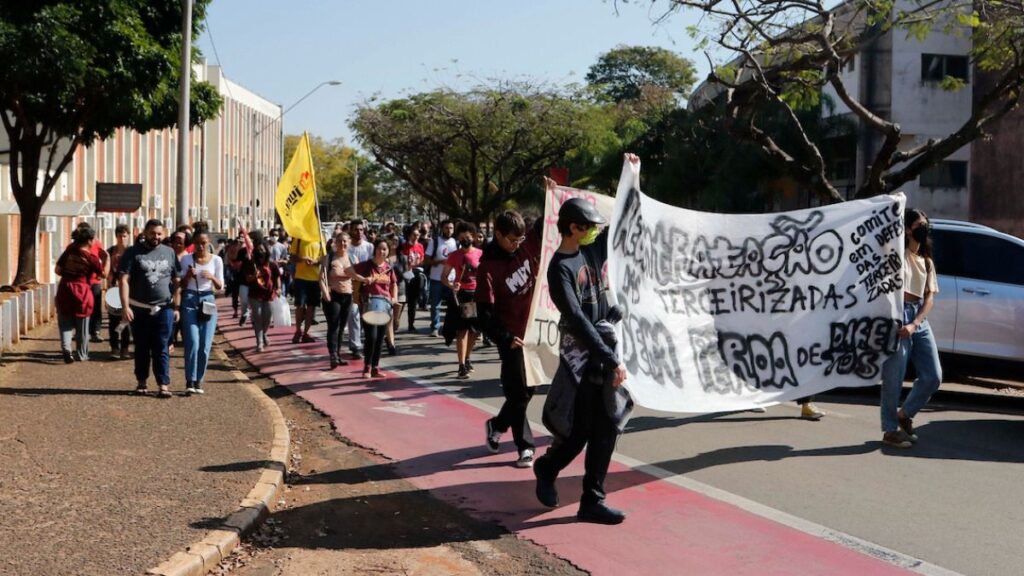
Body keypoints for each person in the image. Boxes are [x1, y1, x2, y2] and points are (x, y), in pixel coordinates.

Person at [534, 186, 633, 526]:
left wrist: (630, 179)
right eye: (589, 226)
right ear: (573, 227)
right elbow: (577, 321)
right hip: (584, 358)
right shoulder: (559, 268)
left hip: (603, 352)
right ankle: (547, 468)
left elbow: (618, 225)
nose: (595, 230)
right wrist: (610, 359)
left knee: (606, 428)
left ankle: (592, 500)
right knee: (578, 433)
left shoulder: (591, 251)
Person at [476, 210, 543, 467]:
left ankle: (497, 424)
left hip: (535, 332)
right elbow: (484, 315)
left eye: (520, 240)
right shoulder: (488, 268)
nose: (517, 245)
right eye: (512, 241)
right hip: (512, 339)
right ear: (499, 235)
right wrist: (505, 338)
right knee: (517, 395)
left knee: (530, 389)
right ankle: (525, 447)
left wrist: (553, 189)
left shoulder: (524, 246)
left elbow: (543, 225)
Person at [879, 208, 942, 448]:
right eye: (919, 224)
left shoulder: (926, 261)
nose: (924, 228)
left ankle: (904, 414)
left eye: (926, 224)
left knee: (933, 376)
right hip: (897, 316)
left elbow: (929, 298)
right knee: (893, 376)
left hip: (917, 319)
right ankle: (890, 430)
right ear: (906, 229)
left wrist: (916, 323)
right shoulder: (897, 255)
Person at [118, 219, 182, 398]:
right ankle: (141, 381)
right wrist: (125, 306)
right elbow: (123, 280)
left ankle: (163, 384)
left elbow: (177, 281)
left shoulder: (169, 252)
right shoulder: (133, 253)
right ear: (145, 233)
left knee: (162, 346)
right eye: (153, 233)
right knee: (142, 347)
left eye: (159, 233)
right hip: (139, 309)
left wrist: (176, 306)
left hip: (164, 309)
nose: (156, 237)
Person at [180, 231, 224, 395]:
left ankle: (199, 380)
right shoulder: (186, 259)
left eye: (204, 243)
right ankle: (189, 380)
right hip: (190, 298)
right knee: (192, 341)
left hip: (208, 300)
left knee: (205, 345)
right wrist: (188, 276)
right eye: (197, 243)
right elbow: (182, 284)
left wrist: (212, 277)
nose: (200, 246)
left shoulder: (217, 260)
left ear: (208, 243)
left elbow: (221, 286)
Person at [347, 239, 398, 378]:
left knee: (381, 338)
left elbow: (394, 284)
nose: (382, 252)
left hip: (385, 304)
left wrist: (394, 297)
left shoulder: (388, 267)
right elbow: (348, 271)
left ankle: (375, 367)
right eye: (380, 248)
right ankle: (367, 367)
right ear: (375, 250)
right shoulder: (367, 265)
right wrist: (363, 279)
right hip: (369, 302)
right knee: (372, 337)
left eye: (385, 249)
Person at [55, 226, 104, 363]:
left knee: (65, 323)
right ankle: (82, 354)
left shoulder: (69, 252)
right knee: (82, 325)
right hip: (82, 291)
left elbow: (57, 270)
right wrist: (106, 261)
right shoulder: (92, 258)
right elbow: (102, 275)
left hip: (65, 289)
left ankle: (67, 349)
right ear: (89, 240)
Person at [441, 221, 483, 379]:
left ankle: (467, 357)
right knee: (463, 330)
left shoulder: (480, 254)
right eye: (462, 237)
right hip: (463, 295)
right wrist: (452, 286)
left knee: (474, 331)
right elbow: (443, 277)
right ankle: (461, 365)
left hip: (477, 295)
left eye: (468, 236)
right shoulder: (455, 256)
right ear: (458, 238)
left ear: (473, 236)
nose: (465, 239)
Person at [320, 232, 355, 368]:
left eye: (345, 241)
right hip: (333, 295)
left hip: (348, 296)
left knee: (341, 327)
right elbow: (321, 278)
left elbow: (356, 277)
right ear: (335, 242)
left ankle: (338, 354)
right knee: (333, 326)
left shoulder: (352, 258)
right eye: (340, 241)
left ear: (349, 243)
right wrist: (325, 293)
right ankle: (333, 355)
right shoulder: (328, 258)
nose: (343, 244)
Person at [346, 219, 375, 358]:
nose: (359, 232)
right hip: (351, 286)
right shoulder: (345, 247)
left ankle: (369, 342)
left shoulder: (369, 247)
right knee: (354, 314)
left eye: (361, 229)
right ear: (350, 230)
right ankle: (356, 345)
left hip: (367, 285)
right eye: (356, 229)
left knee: (366, 316)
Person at [288, 232, 323, 344]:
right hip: (301, 278)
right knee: (300, 305)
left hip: (315, 278)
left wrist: (316, 261)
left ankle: (306, 333)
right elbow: (292, 257)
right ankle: (298, 330)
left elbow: (324, 258)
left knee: (311, 307)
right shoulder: (298, 238)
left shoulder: (321, 237)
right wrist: (303, 259)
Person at [246, 243, 281, 352]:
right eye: (258, 250)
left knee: (267, 318)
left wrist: (279, 288)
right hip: (255, 295)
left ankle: (264, 334)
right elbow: (247, 279)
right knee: (257, 318)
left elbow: (277, 277)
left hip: (269, 295)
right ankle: (259, 342)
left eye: (262, 250)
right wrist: (254, 276)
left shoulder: (272, 265)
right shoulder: (251, 264)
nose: (261, 252)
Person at [425, 220, 457, 337]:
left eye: (451, 228)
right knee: (435, 305)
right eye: (447, 228)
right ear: (442, 229)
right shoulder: (435, 242)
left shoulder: (456, 243)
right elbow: (427, 259)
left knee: (452, 305)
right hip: (436, 278)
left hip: (451, 279)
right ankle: (435, 327)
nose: (449, 230)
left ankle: (449, 328)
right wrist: (440, 261)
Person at [105, 224, 132, 358]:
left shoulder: (132, 252)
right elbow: (106, 271)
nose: (122, 239)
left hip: (129, 291)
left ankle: (125, 348)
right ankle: (114, 347)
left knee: (125, 320)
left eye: (124, 236)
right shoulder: (110, 252)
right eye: (119, 236)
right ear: (116, 237)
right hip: (113, 290)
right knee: (113, 320)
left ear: (128, 236)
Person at [399, 225, 426, 332]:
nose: (416, 237)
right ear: (409, 235)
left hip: (415, 273)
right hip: (404, 275)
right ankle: (395, 322)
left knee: (412, 302)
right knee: (402, 301)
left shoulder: (420, 246)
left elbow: (422, 259)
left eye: (418, 235)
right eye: (414, 235)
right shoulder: (403, 246)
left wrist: (418, 264)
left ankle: (411, 324)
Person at [268, 230, 290, 298]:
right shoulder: (265, 245)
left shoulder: (282, 247)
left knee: (280, 290)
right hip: (267, 271)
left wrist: (281, 261)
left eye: (276, 235)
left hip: (279, 271)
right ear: (270, 235)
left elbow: (286, 260)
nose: (275, 236)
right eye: (273, 235)